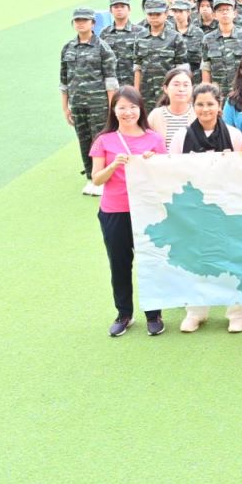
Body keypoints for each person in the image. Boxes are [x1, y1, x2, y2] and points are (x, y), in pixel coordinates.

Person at [88, 86, 167, 337]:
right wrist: (113, 165)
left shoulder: (154, 139)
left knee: (150, 261)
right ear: (114, 110)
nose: (128, 112)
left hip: (147, 211)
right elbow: (96, 179)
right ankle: (124, 314)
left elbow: (166, 176)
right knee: (119, 263)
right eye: (122, 107)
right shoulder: (104, 140)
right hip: (115, 211)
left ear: (140, 109)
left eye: (133, 107)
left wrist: (153, 162)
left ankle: (154, 314)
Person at [173, 83, 242, 333]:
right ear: (193, 106)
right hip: (195, 209)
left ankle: (237, 313)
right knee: (196, 260)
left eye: (210, 104)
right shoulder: (181, 137)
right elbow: (171, 171)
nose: (205, 109)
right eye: (200, 104)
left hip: (228, 208)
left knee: (234, 260)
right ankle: (196, 312)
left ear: (219, 106)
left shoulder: (234, 135)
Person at [61, 7, 119, 196]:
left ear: (93, 23)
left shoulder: (102, 47)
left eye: (84, 20)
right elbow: (64, 80)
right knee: (84, 140)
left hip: (98, 103)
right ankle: (90, 178)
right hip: (77, 103)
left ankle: (101, 178)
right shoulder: (68, 47)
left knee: (99, 141)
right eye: (77, 20)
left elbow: (111, 81)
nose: (80, 24)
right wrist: (65, 107)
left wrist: (111, 108)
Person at [146, 67, 195, 151]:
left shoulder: (198, 113)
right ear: (165, 88)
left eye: (186, 85)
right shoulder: (155, 115)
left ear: (192, 88)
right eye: (176, 85)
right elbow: (145, 144)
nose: (181, 89)